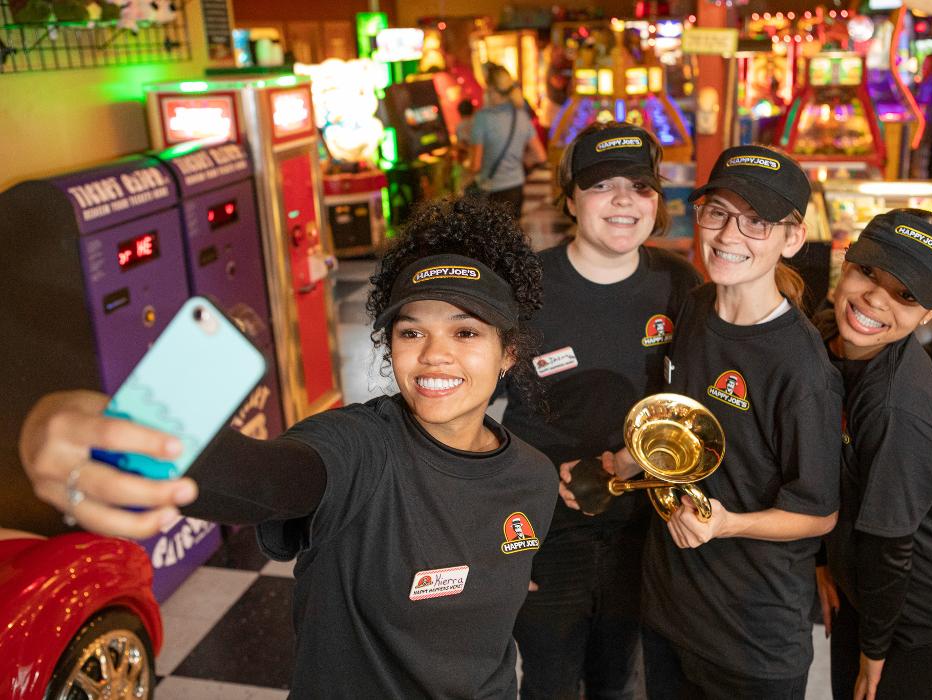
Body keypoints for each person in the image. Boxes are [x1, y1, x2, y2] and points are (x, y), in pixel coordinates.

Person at [17, 197, 559, 698]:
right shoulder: (359, 447)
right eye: (411, 333)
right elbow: (266, 477)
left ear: (508, 353)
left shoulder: (533, 477)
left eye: (466, 334)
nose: (433, 355)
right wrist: (103, 434)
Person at [567, 145, 843, 698]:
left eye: (756, 221)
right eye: (717, 212)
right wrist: (620, 462)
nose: (728, 234)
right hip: (670, 604)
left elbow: (818, 514)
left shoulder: (802, 368)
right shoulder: (694, 306)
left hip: (752, 632)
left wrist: (727, 524)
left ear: (792, 238)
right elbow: (682, 422)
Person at [502, 121, 701, 699]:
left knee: (617, 682)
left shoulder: (677, 282)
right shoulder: (526, 286)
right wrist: (501, 527)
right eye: (601, 185)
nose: (623, 201)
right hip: (545, 529)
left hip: (642, 529)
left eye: (639, 187)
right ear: (569, 198)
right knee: (548, 682)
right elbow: (468, 412)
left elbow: (689, 403)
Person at [814, 209, 932, 700]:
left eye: (906, 295)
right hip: (869, 592)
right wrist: (822, 560)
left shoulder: (899, 412)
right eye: (869, 272)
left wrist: (874, 651)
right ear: (846, 261)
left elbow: (890, 548)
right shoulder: (824, 334)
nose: (875, 298)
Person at [470, 63, 546, 220]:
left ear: (491, 90)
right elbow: (540, 156)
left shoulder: (482, 118)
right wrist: (519, 160)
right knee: (512, 237)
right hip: (516, 188)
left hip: (490, 190)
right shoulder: (521, 116)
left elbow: (475, 165)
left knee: (490, 241)